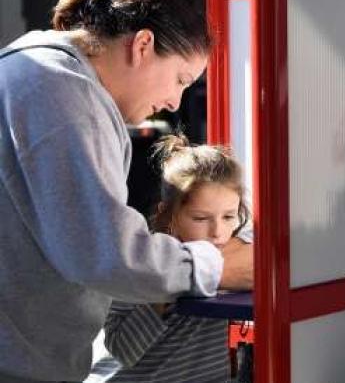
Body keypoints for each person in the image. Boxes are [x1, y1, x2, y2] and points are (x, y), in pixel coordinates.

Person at [0, 0, 251, 382]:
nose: (175, 101)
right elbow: (102, 251)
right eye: (181, 79)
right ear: (143, 45)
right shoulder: (59, 91)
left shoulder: (44, 79)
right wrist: (214, 267)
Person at [88, 134, 253, 383]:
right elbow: (121, 349)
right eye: (200, 218)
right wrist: (171, 286)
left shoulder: (229, 248)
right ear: (167, 216)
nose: (217, 232)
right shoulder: (138, 262)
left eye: (229, 217)